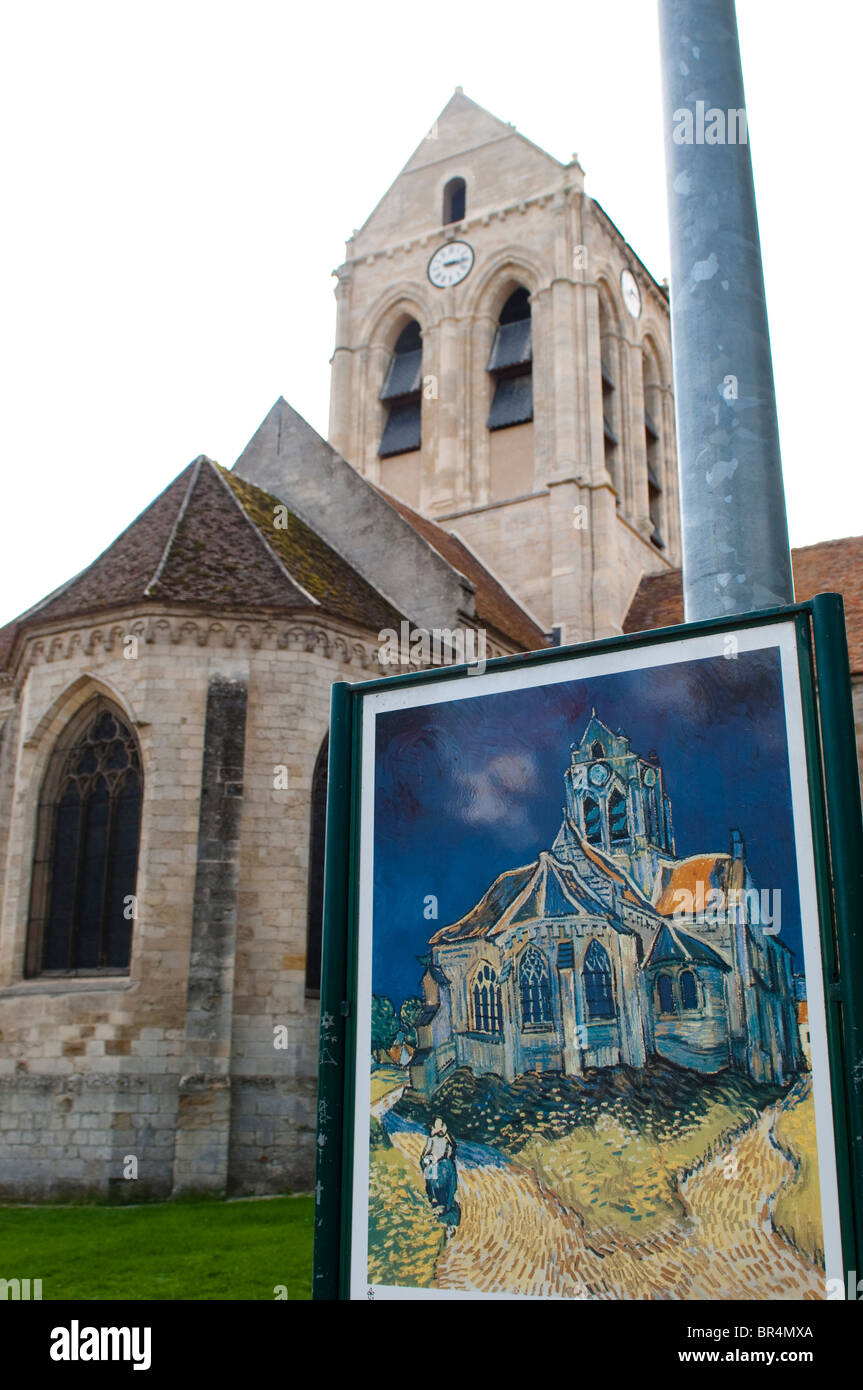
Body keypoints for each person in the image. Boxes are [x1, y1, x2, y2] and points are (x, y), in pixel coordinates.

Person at [420, 1116, 461, 1239]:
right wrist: (429, 1160)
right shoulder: (431, 1139)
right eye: (436, 1125)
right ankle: (435, 1200)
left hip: (444, 1167)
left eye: (440, 1125)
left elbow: (453, 1149)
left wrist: (448, 1140)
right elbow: (425, 1154)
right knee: (431, 1173)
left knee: (447, 1172)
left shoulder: (447, 1139)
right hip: (435, 1166)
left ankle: (447, 1214)